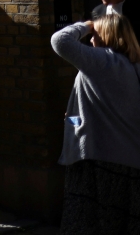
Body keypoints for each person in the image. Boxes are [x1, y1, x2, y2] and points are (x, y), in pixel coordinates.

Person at [52, 13, 140, 234]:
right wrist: (72, 118)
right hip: (130, 164)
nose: (91, 39)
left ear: (106, 35)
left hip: (98, 162)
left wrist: (87, 25)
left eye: (94, 35)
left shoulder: (101, 61)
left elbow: (59, 41)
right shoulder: (134, 66)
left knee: (88, 225)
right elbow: (101, 116)